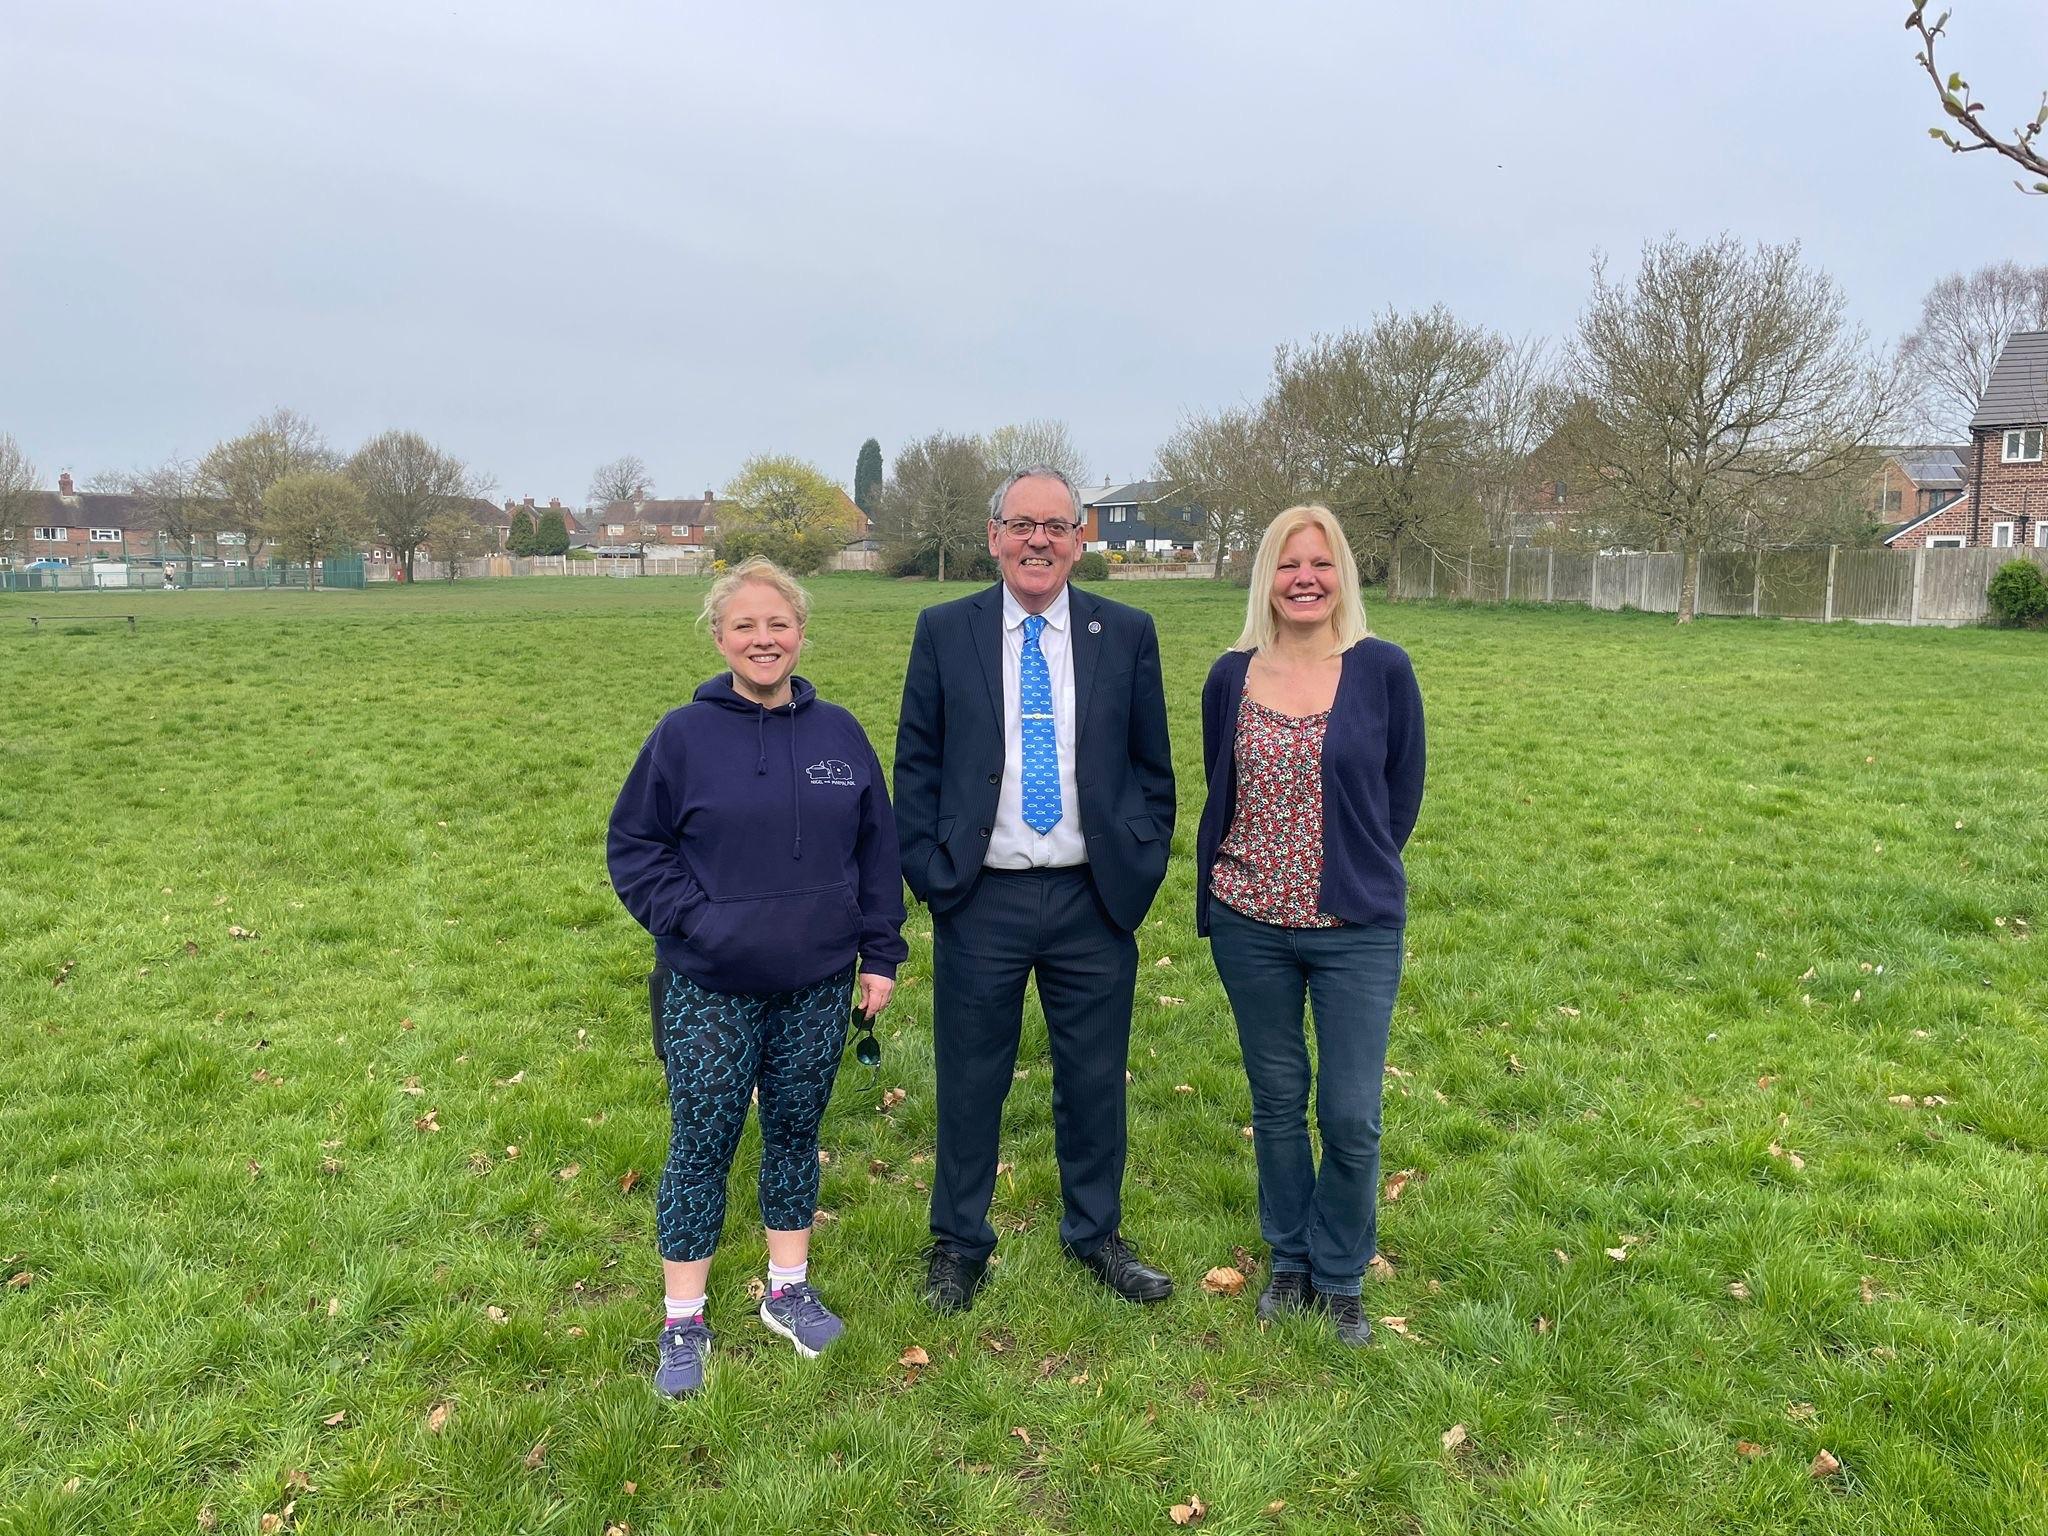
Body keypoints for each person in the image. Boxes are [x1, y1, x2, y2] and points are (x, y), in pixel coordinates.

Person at [607, 556, 907, 1397]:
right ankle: (683, 1320)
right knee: (701, 1146)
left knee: (792, 1135)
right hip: (709, 983)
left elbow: (877, 851)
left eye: (778, 624)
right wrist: (697, 923)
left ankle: (787, 1290)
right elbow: (635, 848)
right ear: (719, 636)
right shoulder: (681, 736)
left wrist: (879, 951)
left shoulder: (839, 733)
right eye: (745, 625)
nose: (763, 638)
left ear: (801, 633)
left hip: (816, 982)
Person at [894, 465, 1177, 1313]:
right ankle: (960, 1244)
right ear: (993, 536)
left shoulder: (1124, 632)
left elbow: (1152, 768)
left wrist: (1140, 859)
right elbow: (916, 761)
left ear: (1081, 537)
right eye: (1022, 525)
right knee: (971, 1079)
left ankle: (1096, 1236)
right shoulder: (946, 630)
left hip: (1094, 899)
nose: (1038, 541)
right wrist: (932, 870)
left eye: (1056, 525)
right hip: (981, 896)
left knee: (1094, 1078)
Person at [1194, 505, 1425, 1347]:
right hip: (1250, 921)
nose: (1305, 579)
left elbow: (1400, 794)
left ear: (1342, 576)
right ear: (1267, 575)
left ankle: (1341, 1275)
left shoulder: (1383, 670)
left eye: (1320, 565)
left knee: (1352, 1111)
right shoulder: (1232, 675)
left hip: (1353, 927)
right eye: (1289, 564)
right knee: (1279, 1100)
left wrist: (1353, 869)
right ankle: (1290, 1261)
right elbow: (1223, 781)